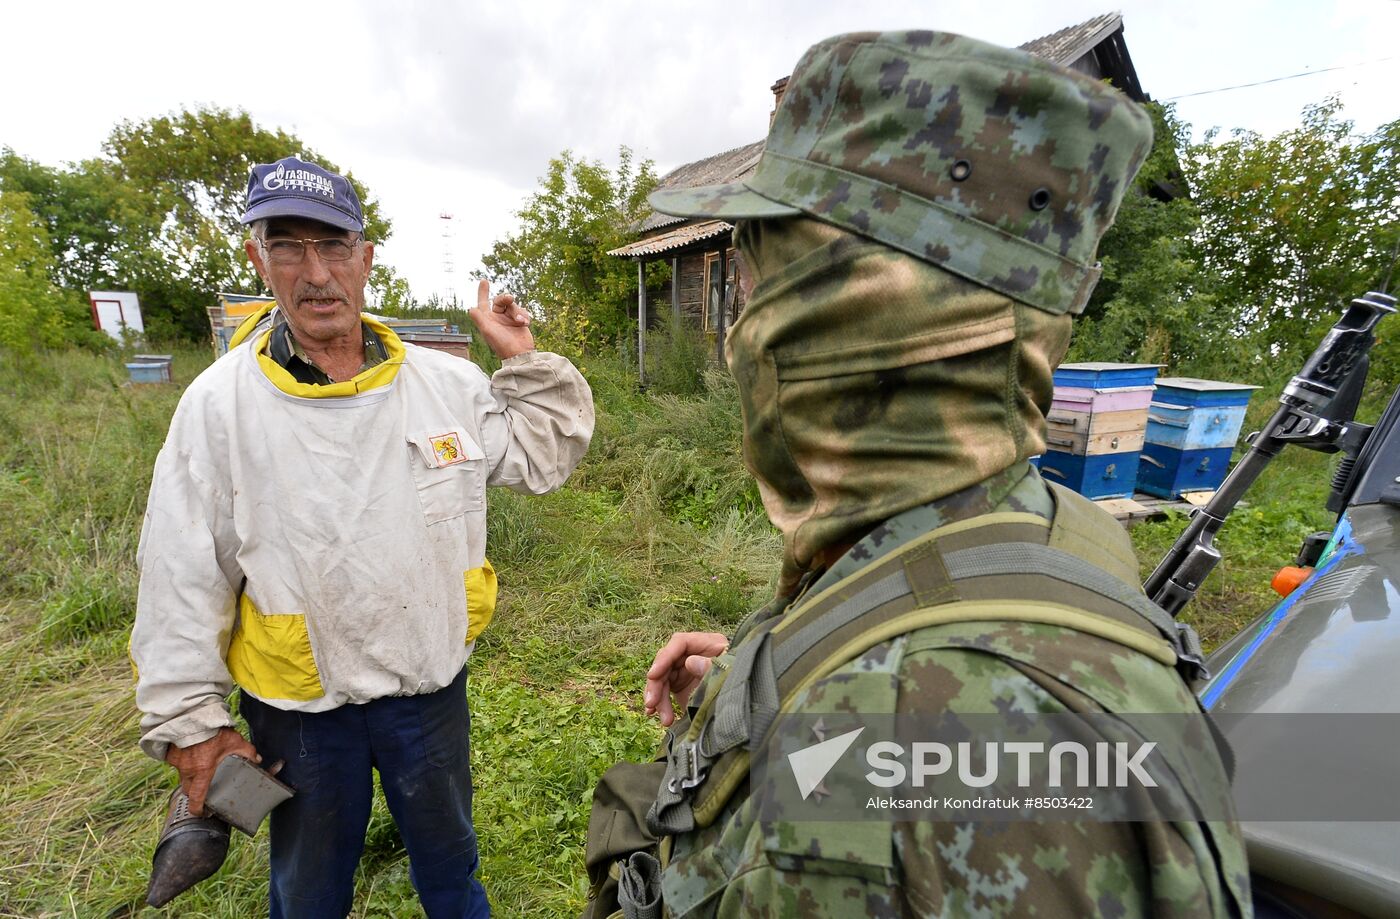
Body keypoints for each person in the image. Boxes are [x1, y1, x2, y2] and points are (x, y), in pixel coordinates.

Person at [611, 30, 1249, 918]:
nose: (741, 322)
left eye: (761, 271)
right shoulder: (1043, 524)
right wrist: (779, 673)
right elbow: (945, 608)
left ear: (853, 311)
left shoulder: (935, 769)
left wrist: (869, 697)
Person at [131, 155, 593, 918]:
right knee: (309, 893)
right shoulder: (219, 406)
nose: (315, 273)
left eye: (334, 246)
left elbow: (540, 456)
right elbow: (181, 572)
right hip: (303, 708)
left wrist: (521, 358)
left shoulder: (445, 386)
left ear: (366, 257)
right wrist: (191, 727)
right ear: (258, 258)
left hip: (429, 687)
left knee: (452, 871)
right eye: (288, 246)